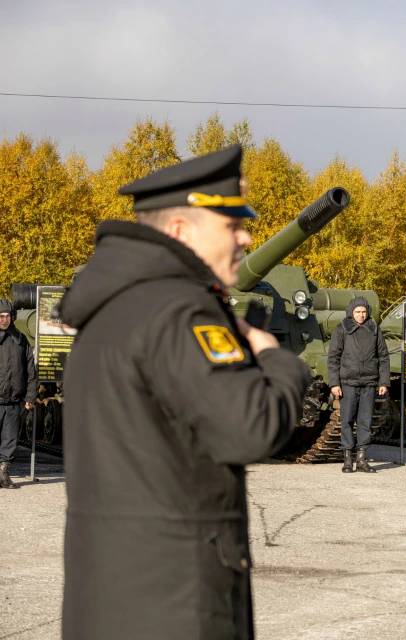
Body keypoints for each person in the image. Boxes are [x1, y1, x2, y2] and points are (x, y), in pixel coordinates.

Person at [58, 145, 312, 640]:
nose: (247, 236)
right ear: (180, 231)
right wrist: (274, 359)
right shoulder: (179, 311)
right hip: (176, 604)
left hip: (113, 596)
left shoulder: (110, 309)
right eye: (231, 224)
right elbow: (252, 427)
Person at [326, 296, 390, 473]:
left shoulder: (375, 330)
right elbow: (333, 358)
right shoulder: (342, 330)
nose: (361, 315)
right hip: (348, 383)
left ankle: (361, 459)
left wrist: (383, 381)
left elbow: (383, 357)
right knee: (346, 420)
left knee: (365, 421)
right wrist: (334, 383)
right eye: (357, 312)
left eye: (363, 312)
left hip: (369, 383)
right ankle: (347, 460)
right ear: (351, 312)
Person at [0, 298, 38, 490]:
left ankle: (4, 476)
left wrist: (30, 397)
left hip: (14, 401)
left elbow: (31, 371)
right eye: (1, 316)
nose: (4, 320)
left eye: (7, 316)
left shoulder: (21, 339)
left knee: (10, 440)